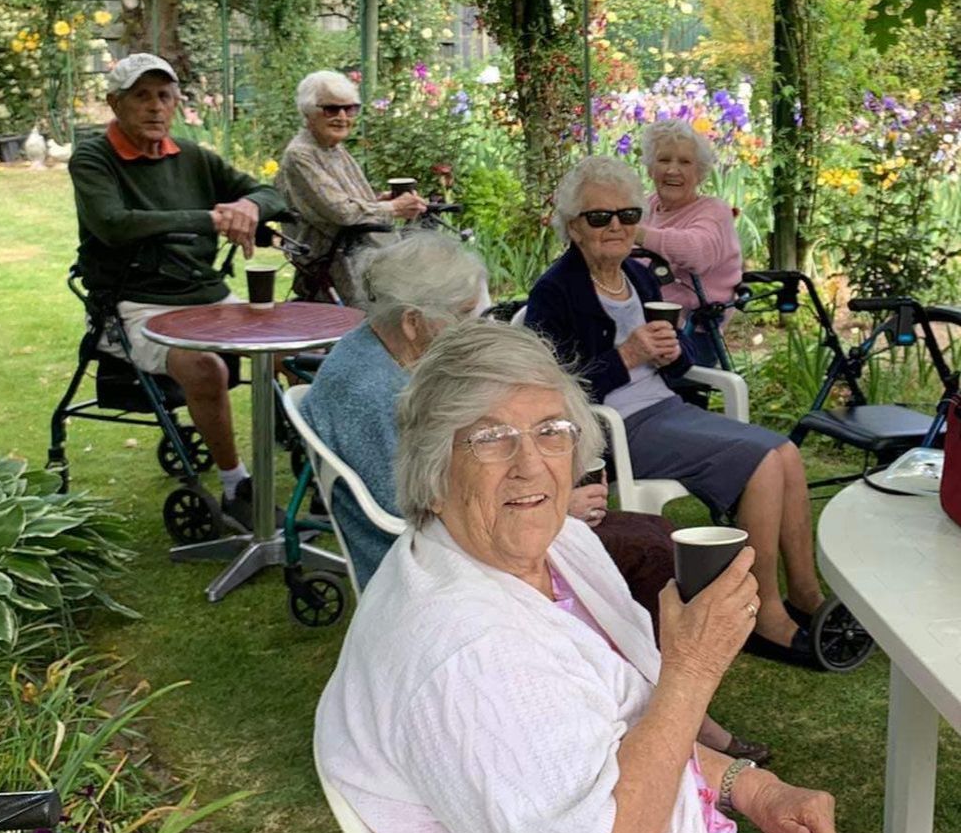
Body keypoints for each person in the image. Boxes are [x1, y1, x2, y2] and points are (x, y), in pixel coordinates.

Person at [315, 321, 961, 833]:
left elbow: (624, 723)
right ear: (433, 472)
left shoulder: (558, 550)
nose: (529, 464)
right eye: (489, 437)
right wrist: (691, 668)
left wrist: (753, 787)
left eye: (549, 430)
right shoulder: (464, 653)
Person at [305, 230, 767, 763]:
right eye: (464, 314)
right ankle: (668, 718)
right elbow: (415, 502)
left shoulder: (377, 354)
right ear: (412, 321)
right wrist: (556, 504)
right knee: (655, 552)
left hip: (463, 533)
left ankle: (671, 712)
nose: (477, 327)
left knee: (649, 535)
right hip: (440, 553)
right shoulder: (380, 392)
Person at [525, 154, 825, 667]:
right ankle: (762, 610)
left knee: (785, 454)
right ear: (574, 227)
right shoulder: (556, 292)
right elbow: (554, 392)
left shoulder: (639, 278)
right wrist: (626, 356)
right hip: (613, 430)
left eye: (627, 215)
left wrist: (671, 350)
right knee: (762, 460)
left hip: (664, 409)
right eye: (599, 217)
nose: (616, 226)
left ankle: (806, 594)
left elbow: (680, 366)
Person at [68, 52, 289, 530]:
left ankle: (319, 462)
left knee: (293, 347)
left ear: (175, 103)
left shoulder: (191, 156)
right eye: (141, 97)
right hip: (133, 305)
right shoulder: (92, 157)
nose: (154, 108)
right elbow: (113, 224)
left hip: (207, 295)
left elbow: (274, 196)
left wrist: (249, 205)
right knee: (205, 368)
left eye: (164, 96)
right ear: (114, 104)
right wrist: (209, 218)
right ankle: (236, 486)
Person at [277, 70, 428, 305]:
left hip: (361, 252)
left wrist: (382, 201)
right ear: (308, 112)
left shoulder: (333, 148)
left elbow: (346, 203)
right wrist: (393, 207)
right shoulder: (300, 155)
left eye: (350, 109)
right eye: (330, 109)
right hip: (336, 262)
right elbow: (341, 212)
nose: (342, 116)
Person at [637, 118, 744, 366]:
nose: (673, 170)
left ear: (699, 172)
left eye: (685, 162)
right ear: (651, 168)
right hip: (643, 324)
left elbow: (698, 253)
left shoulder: (713, 211)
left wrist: (636, 234)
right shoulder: (646, 206)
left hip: (692, 333)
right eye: (664, 160)